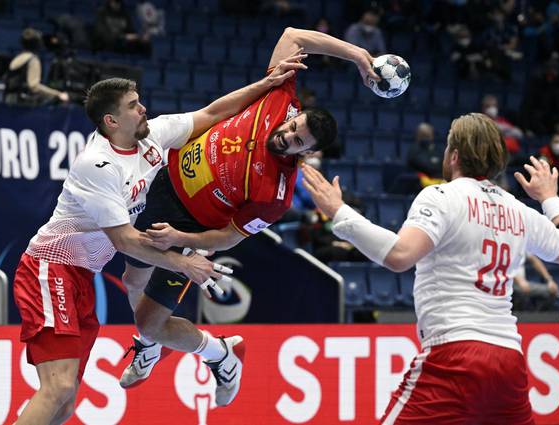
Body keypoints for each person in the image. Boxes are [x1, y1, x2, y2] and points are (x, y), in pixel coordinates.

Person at [12, 61, 302, 425]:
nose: (143, 107)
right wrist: (185, 263)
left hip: (82, 276)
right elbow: (125, 239)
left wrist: (264, 84)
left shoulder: (152, 138)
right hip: (51, 268)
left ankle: (156, 345)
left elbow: (212, 112)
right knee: (56, 388)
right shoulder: (97, 165)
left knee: (67, 398)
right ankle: (155, 344)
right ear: (111, 122)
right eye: (133, 105)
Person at [118, 27, 380, 402]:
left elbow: (227, 237)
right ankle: (152, 346)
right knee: (131, 280)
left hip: (191, 227)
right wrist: (357, 55)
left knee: (148, 321)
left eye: (297, 142)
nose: (286, 136)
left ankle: (221, 355)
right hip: (166, 185)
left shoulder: (275, 195)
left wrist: (181, 241)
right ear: (295, 115)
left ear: (305, 153)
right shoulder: (279, 97)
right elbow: (295, 36)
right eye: (293, 127)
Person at [301, 112, 559, 424]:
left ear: (453, 155)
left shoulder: (441, 196)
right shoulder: (520, 210)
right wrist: (550, 198)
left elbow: (400, 255)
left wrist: (339, 212)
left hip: (455, 353)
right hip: (509, 360)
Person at [3, 28, 70, 106]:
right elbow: (33, 86)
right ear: (37, 44)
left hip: (8, 102)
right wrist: (58, 94)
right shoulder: (32, 60)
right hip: (22, 106)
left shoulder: (16, 58)